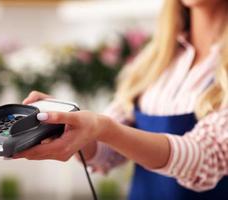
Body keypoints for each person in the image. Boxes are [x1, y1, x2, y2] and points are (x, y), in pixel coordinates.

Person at [13, 0, 228, 199]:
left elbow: (205, 159)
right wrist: (70, 126)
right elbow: (108, 152)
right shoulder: (155, 62)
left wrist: (104, 128)